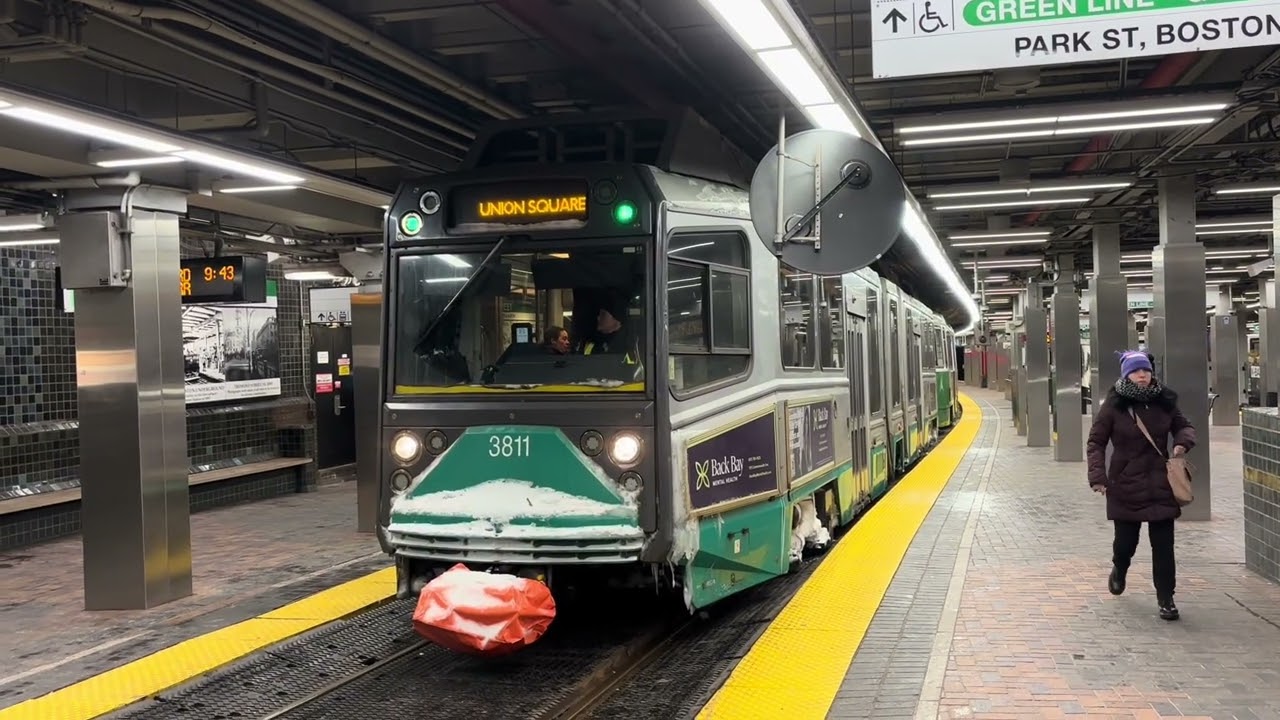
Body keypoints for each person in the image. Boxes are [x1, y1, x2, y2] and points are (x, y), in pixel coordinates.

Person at [1086, 350, 1195, 621]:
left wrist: (1182, 443)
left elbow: (1184, 426)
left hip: (1161, 483)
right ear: (1126, 375)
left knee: (1164, 546)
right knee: (1125, 543)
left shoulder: (1164, 400)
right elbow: (1096, 442)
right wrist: (1098, 477)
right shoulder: (1114, 405)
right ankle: (1119, 569)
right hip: (1125, 483)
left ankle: (1166, 598)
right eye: (1136, 371)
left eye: (1145, 370)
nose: (1142, 375)